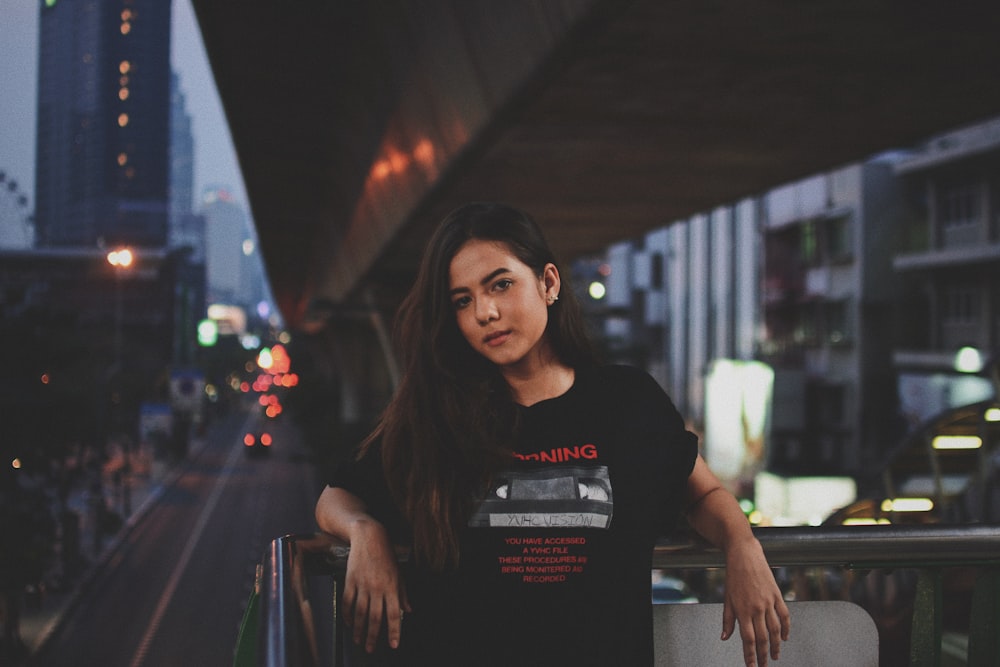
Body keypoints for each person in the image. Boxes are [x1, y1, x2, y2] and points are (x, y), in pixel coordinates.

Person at [315, 202, 790, 666]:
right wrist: (364, 531)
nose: (485, 312)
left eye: (501, 285)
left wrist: (742, 545)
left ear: (548, 283)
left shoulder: (627, 401)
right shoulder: (437, 416)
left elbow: (701, 492)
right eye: (463, 300)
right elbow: (336, 497)